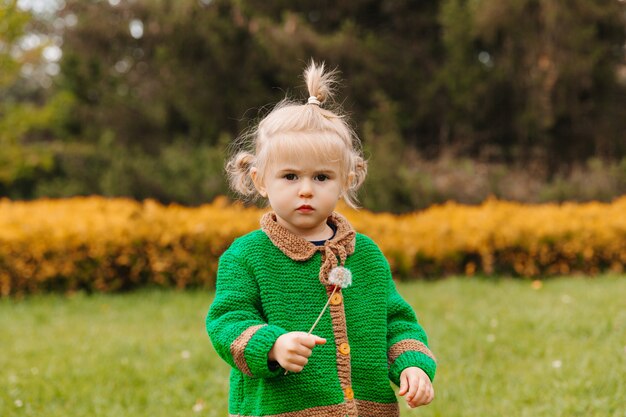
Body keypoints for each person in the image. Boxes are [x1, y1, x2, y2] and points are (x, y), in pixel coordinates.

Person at [206, 60, 436, 417]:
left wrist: (412, 365)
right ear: (260, 179)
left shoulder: (366, 255)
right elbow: (227, 321)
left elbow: (396, 320)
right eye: (290, 176)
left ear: (346, 179)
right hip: (282, 409)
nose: (306, 190)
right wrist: (273, 345)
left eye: (322, 177)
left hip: (368, 408)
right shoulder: (247, 256)